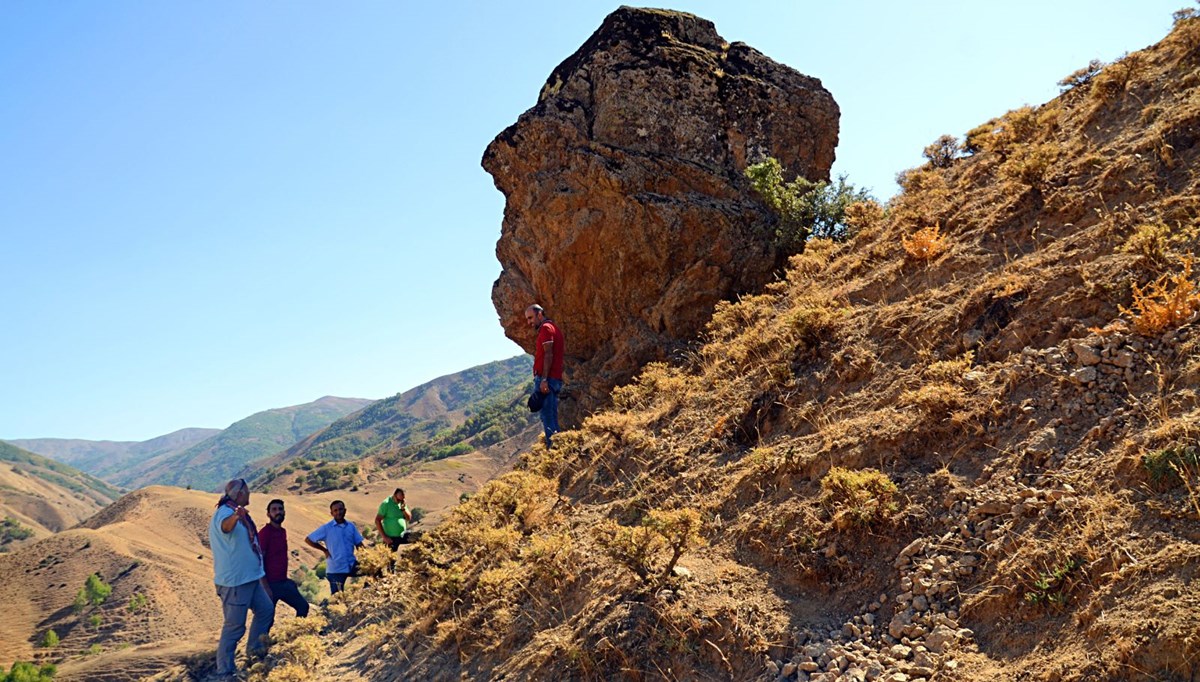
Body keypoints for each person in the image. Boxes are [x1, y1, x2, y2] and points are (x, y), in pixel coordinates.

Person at [209, 478, 275, 678]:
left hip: (250, 579)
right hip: (235, 582)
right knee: (234, 627)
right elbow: (225, 527)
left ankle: (254, 653)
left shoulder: (233, 510)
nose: (249, 494)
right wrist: (236, 517)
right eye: (247, 491)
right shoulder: (225, 512)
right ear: (239, 494)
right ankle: (225, 671)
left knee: (266, 610)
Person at [257, 499, 309, 617]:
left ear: (284, 512)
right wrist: (265, 586)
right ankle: (261, 636)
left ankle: (296, 633)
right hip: (269, 584)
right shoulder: (265, 533)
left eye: (280, 509)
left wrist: (287, 580)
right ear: (268, 514)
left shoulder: (282, 531)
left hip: (282, 582)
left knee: (303, 607)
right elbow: (259, 561)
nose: (278, 512)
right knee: (267, 618)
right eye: (274, 510)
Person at [525, 303, 565, 448]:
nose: (529, 322)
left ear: (540, 314)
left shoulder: (546, 329)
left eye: (530, 318)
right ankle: (558, 448)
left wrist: (544, 379)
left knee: (547, 416)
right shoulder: (553, 328)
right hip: (552, 378)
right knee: (551, 414)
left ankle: (555, 450)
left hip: (547, 379)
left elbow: (549, 354)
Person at [305, 500, 364, 594]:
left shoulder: (351, 526)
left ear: (345, 510)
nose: (338, 512)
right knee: (338, 599)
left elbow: (359, 543)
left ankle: (367, 594)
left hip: (351, 564)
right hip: (336, 569)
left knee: (374, 570)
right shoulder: (326, 528)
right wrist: (324, 550)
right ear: (331, 513)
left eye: (340, 509)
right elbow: (308, 539)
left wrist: (367, 557)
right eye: (335, 510)